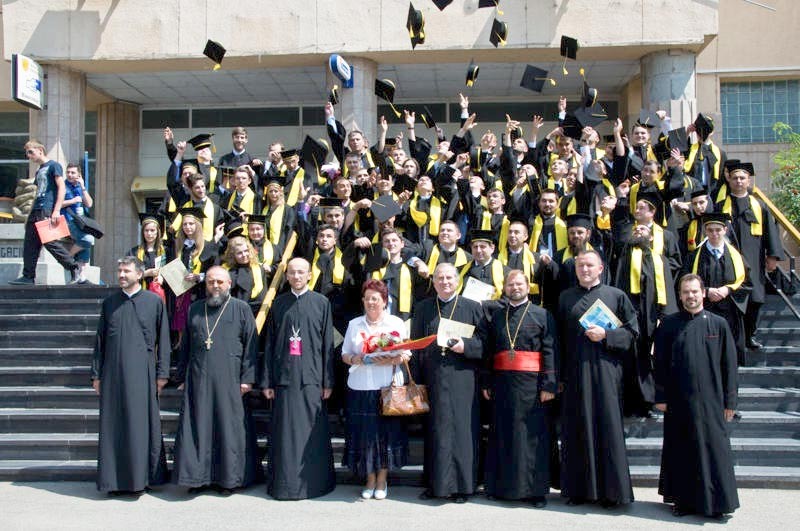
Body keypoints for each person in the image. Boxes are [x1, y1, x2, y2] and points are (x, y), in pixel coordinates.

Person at [654, 274, 739, 519]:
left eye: (694, 291)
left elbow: (729, 366)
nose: (690, 296)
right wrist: (660, 396)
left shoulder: (718, 324)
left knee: (715, 452)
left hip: (713, 401)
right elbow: (659, 364)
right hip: (679, 400)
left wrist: (730, 401)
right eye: (685, 292)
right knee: (682, 450)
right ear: (679, 296)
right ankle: (683, 501)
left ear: (703, 293)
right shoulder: (669, 325)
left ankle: (717, 504)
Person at [557, 250, 638, 508]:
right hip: (576, 373)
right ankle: (577, 492)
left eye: (590, 265)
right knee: (577, 430)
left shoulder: (616, 296)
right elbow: (557, 340)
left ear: (601, 268)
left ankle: (612, 493)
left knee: (608, 430)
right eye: (580, 266)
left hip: (606, 373)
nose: (585, 269)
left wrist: (606, 335)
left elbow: (633, 333)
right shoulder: (565, 298)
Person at [172, 266, 260, 494]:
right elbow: (186, 348)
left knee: (227, 430)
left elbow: (251, 347)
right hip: (199, 379)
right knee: (198, 428)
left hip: (231, 381)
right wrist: (181, 376)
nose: (215, 286)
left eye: (220, 282)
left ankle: (228, 480)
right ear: (205, 284)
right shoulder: (195, 310)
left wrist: (248, 379)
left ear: (229, 284)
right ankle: (197, 479)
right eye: (211, 282)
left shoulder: (241, 309)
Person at [91, 256, 170, 495]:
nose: (122, 275)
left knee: (140, 426)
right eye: (119, 271)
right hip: (112, 374)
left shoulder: (154, 302)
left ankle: (141, 479)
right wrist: (96, 375)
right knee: (113, 427)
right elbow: (100, 342)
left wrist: (162, 374)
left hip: (143, 374)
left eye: (126, 271)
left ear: (139, 274)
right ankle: (113, 481)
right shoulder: (109, 304)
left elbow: (163, 341)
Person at [410, 262, 487, 503]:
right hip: (433, 377)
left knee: (464, 432)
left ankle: (464, 487)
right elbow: (416, 343)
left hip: (463, 378)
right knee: (436, 432)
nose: (444, 282)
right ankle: (436, 485)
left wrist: (468, 346)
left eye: (449, 278)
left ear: (458, 281)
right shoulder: (423, 308)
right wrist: (415, 380)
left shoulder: (473, 308)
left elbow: (486, 343)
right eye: (440, 278)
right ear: (433, 282)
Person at [260, 257, 336, 500]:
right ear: (287, 276)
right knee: (285, 434)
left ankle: (314, 485)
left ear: (309, 275)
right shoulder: (278, 303)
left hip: (312, 379)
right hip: (284, 378)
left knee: (311, 434)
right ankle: (284, 485)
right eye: (292, 273)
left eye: (301, 272)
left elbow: (327, 345)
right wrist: (267, 381)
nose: (296, 276)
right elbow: (270, 345)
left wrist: (328, 381)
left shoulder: (322, 303)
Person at [484, 270, 558, 507]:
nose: (515, 287)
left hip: (532, 386)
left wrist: (549, 384)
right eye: (510, 284)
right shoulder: (497, 316)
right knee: (503, 435)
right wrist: (486, 381)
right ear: (504, 288)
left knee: (532, 439)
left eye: (519, 283)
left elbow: (550, 351)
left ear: (528, 286)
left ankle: (535, 492)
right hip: (503, 384)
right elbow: (489, 351)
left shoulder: (542, 315)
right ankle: (501, 488)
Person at [340, 279, 411, 500]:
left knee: (385, 436)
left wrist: (390, 359)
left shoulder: (396, 323)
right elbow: (344, 354)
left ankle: (382, 479)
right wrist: (358, 358)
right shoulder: (354, 324)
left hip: (387, 388)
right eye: (368, 298)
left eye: (376, 298)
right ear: (363, 300)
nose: (371, 302)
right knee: (364, 436)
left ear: (384, 301)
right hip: (360, 386)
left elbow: (407, 354)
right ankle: (369, 478)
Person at [9, 140, 79, 284]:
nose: (29, 156)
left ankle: (73, 267)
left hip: (46, 209)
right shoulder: (40, 169)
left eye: (31, 152)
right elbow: (37, 192)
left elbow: (61, 187)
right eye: (27, 153)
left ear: (40, 150)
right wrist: (29, 216)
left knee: (49, 241)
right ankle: (28, 276)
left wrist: (56, 210)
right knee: (30, 243)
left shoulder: (54, 166)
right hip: (36, 210)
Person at [60, 162, 94, 284]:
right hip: (67, 220)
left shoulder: (80, 187)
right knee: (87, 239)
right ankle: (67, 258)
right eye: (68, 172)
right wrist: (72, 201)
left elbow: (89, 204)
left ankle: (81, 276)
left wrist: (83, 187)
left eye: (73, 172)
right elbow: (56, 203)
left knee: (87, 246)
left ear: (78, 174)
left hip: (81, 222)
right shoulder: (62, 186)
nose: (70, 175)